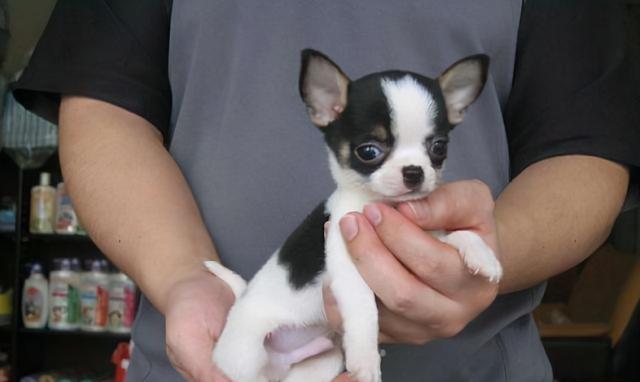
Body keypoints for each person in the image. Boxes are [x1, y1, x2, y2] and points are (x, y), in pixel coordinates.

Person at [12, 0, 639, 381]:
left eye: (434, 149)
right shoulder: (340, 211)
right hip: (205, 361)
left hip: (473, 368)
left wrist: (488, 251)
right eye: (374, 151)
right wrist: (182, 277)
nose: (413, 167)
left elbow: (588, 144)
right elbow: (102, 106)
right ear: (323, 110)